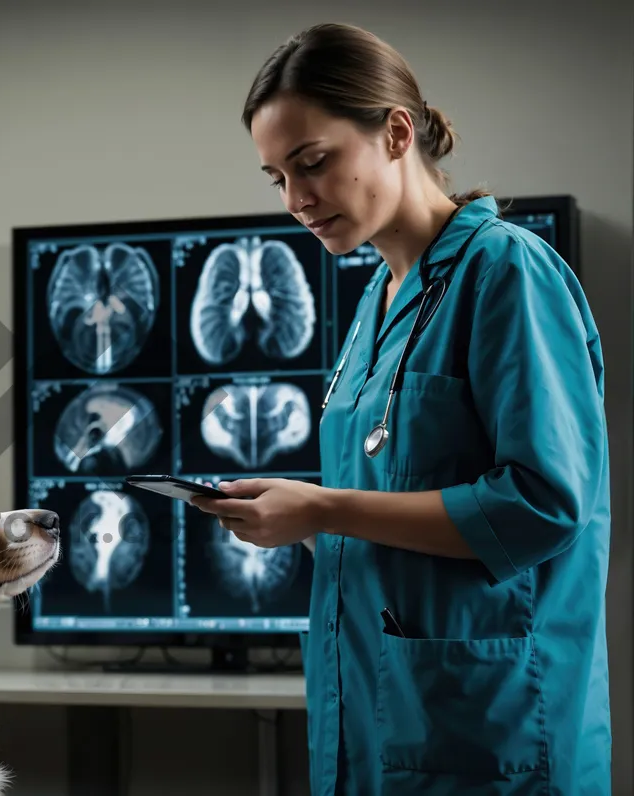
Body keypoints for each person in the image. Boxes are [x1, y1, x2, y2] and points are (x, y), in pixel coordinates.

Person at [189, 22, 611, 796]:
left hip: (488, 730)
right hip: (375, 713)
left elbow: (545, 507)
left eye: (313, 163)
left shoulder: (507, 272)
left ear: (395, 132)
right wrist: (294, 519)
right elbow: (382, 511)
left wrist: (324, 508)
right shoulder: (376, 305)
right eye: (276, 178)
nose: (296, 200)